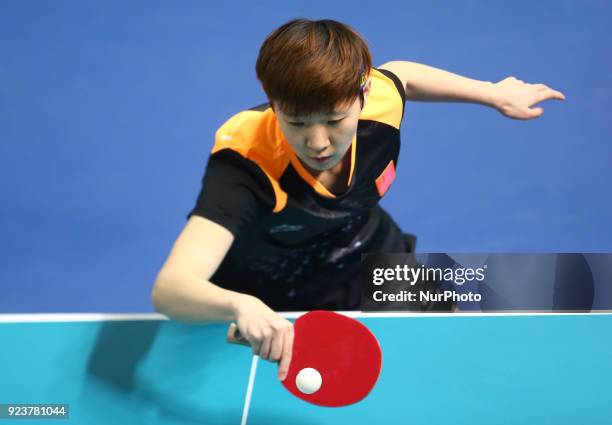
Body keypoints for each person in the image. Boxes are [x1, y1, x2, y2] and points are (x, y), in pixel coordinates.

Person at [152, 18, 565, 380]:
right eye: (296, 123)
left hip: (367, 253)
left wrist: (491, 92)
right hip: (279, 296)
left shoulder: (378, 102)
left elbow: (403, 74)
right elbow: (171, 288)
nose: (318, 143)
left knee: (441, 363)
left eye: (334, 120)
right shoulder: (247, 164)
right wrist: (239, 306)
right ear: (273, 103)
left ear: (363, 94)